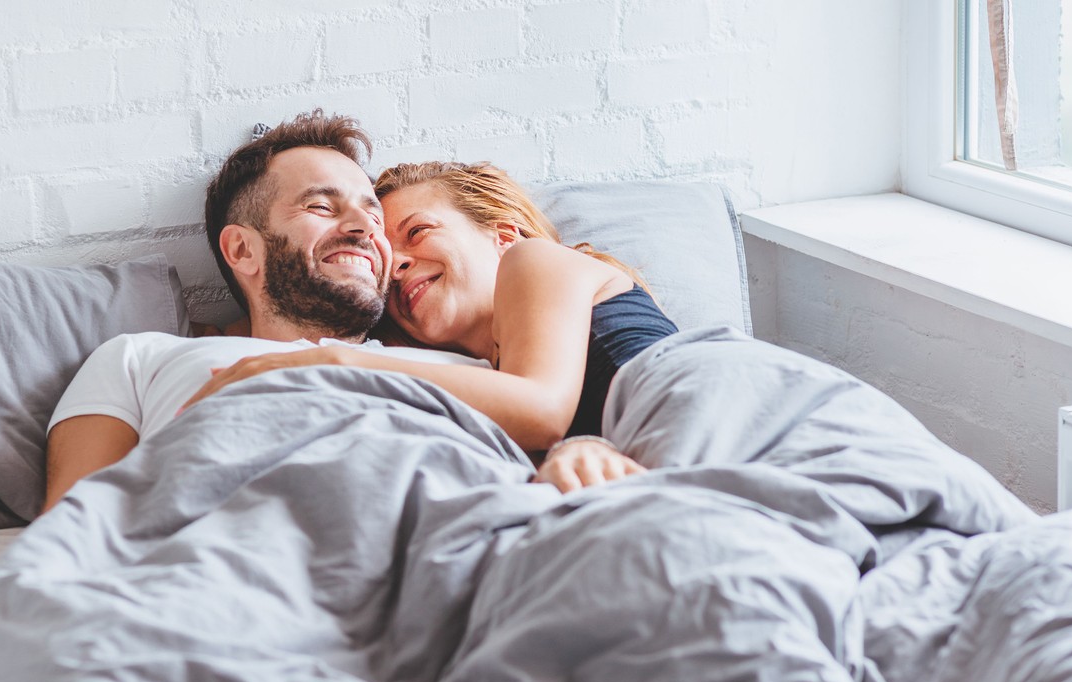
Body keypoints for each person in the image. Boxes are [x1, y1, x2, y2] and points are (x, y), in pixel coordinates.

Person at [40, 110, 486, 513]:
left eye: (373, 217)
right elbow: (72, 531)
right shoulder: (139, 360)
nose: (363, 229)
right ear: (242, 249)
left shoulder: (469, 370)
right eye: (321, 206)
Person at [182, 161, 678, 494]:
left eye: (417, 232)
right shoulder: (477, 378)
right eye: (387, 260)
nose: (396, 266)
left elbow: (542, 409)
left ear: (502, 235)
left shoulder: (534, 262)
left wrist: (330, 360)